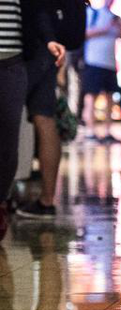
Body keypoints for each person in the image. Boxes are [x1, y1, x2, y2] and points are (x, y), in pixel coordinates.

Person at [15, 3, 67, 221]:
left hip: (24, 48)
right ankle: (47, 200)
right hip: (48, 46)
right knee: (45, 118)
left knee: (10, 116)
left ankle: (7, 196)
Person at [82, 0, 121, 143]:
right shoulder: (92, 13)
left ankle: (107, 132)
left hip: (111, 63)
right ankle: (90, 132)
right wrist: (106, 29)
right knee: (91, 97)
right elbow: (84, 33)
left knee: (110, 98)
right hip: (93, 61)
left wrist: (118, 26)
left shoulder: (115, 17)